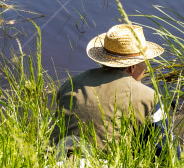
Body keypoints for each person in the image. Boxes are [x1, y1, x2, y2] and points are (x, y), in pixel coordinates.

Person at [51, 23, 174, 157]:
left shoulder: (71, 84)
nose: (146, 68)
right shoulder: (149, 97)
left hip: (53, 166)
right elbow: (165, 152)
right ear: (132, 67)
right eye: (145, 62)